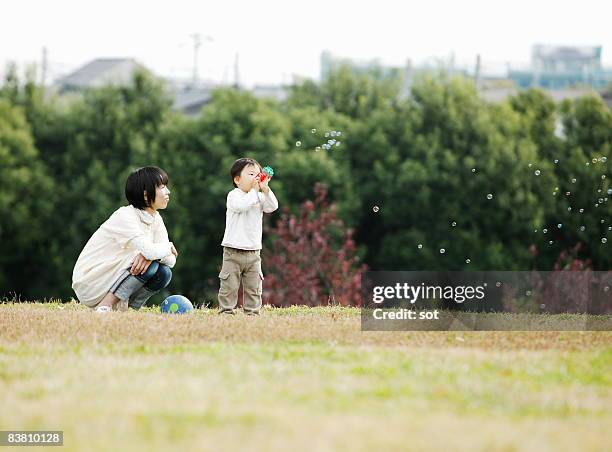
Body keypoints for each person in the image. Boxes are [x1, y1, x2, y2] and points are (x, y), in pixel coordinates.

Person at [72, 166, 178, 312]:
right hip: (91, 281)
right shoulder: (125, 216)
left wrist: (153, 255)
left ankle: (129, 310)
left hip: (114, 276)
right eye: (162, 187)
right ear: (146, 195)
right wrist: (166, 248)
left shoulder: (156, 219)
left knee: (164, 273)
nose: (168, 192)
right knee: (150, 264)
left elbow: (172, 260)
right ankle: (105, 305)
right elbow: (154, 251)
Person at [218, 158, 278, 315]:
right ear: (237, 179)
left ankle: (252, 313)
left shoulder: (258, 196)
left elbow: (272, 207)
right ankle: (226, 312)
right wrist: (255, 191)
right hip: (233, 251)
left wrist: (265, 189)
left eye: (258, 174)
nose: (256, 177)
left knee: (254, 287)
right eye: (251, 174)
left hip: (253, 252)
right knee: (229, 286)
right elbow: (242, 206)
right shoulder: (234, 195)